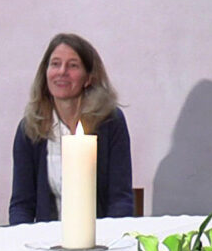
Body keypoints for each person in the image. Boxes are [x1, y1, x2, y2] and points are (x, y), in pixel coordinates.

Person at [8, 34, 135, 225]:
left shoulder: (110, 122)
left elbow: (120, 199)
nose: (62, 72)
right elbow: (22, 205)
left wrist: (110, 241)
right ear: (45, 73)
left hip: (101, 240)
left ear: (89, 78)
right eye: (55, 64)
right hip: (46, 242)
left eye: (73, 65)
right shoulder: (30, 128)